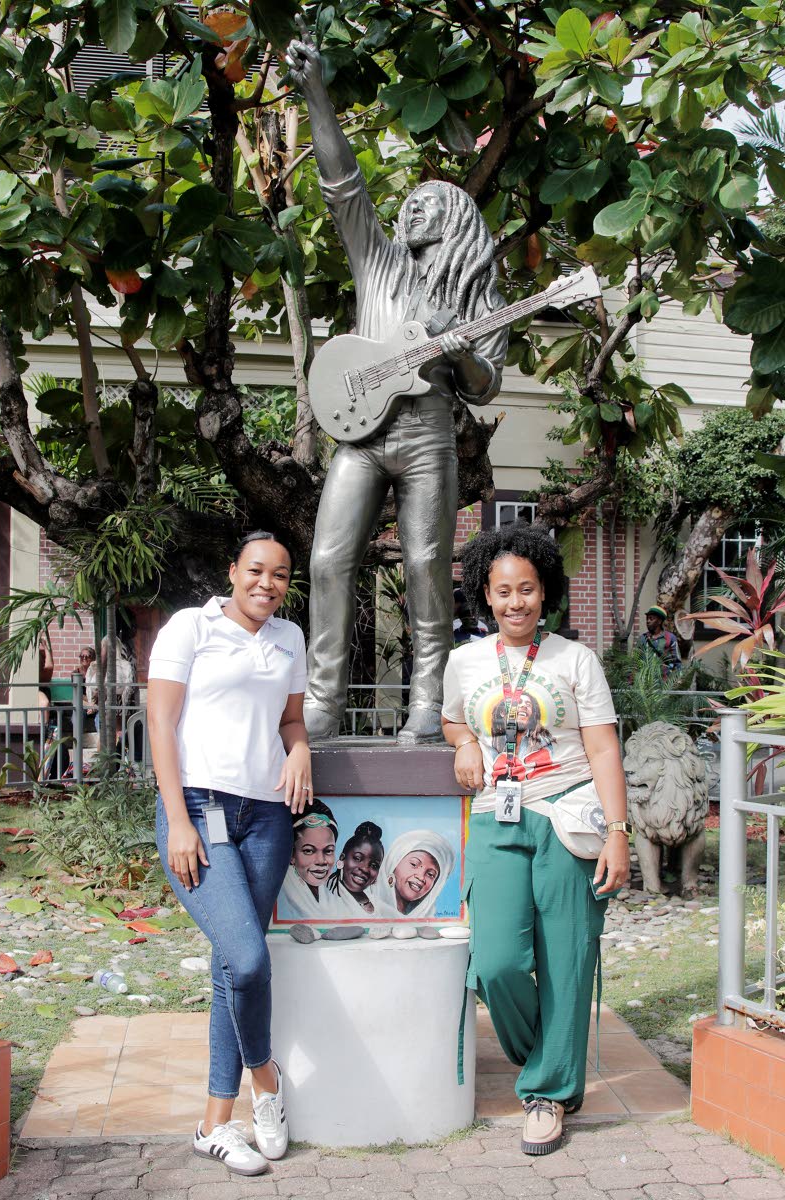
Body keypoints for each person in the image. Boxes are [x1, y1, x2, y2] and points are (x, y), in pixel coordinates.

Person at [285, 20, 508, 745]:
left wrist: (460, 352)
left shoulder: (476, 296)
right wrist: (316, 93)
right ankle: (322, 702)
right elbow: (342, 183)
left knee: (425, 566)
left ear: (457, 221)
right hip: (360, 434)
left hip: (427, 436)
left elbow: (486, 384)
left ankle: (426, 704)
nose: (413, 205)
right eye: (409, 199)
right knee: (327, 559)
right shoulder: (377, 264)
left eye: (429, 201)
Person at [442, 522, 630, 1156]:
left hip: (568, 815)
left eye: (526, 589)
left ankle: (548, 1092)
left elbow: (603, 749)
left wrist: (619, 833)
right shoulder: (465, 660)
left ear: (544, 591)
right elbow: (451, 718)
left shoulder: (575, 659)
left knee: (566, 961)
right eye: (503, 591)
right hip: (496, 816)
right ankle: (547, 1056)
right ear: (485, 595)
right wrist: (464, 743)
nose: (515, 602)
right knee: (495, 963)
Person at [147, 531, 311, 1176]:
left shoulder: (289, 638)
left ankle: (215, 1124)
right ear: (233, 571)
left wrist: (300, 750)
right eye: (256, 571)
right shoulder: (191, 628)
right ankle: (266, 1079)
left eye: (280, 575)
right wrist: (178, 821)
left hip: (266, 815)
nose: (267, 584)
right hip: (198, 808)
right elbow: (160, 723)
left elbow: (290, 720)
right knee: (246, 959)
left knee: (229, 968)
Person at [372, 830, 456, 919]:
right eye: (414, 864)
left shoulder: (428, 920)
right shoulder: (368, 909)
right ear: (394, 863)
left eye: (431, 874)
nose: (421, 877)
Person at [278, 800, 338, 920]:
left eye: (328, 851)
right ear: (292, 854)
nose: (321, 861)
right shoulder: (282, 894)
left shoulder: (332, 891)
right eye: (309, 851)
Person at [326, 821, 384, 915]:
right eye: (357, 858)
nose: (365, 869)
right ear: (342, 858)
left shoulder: (379, 903)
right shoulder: (324, 895)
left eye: (374, 866)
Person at [637, 605, 682, 678]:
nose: (648, 621)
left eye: (651, 618)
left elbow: (677, 663)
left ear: (659, 621)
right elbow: (636, 661)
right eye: (647, 618)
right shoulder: (643, 638)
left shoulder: (670, 638)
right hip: (646, 681)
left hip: (665, 681)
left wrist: (677, 679)